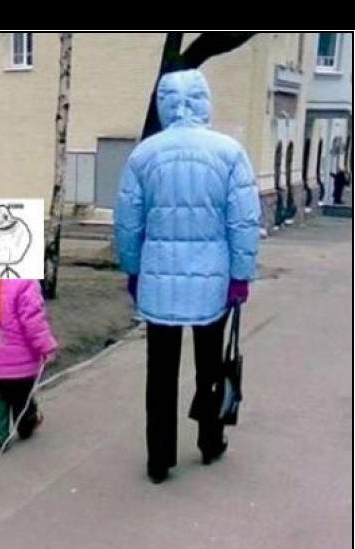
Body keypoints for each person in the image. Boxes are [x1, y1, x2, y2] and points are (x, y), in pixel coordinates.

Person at [114, 69, 261, 483]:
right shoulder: (229, 153)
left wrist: (133, 269)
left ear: (162, 102)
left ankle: (158, 458)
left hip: (159, 279)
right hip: (212, 281)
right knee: (210, 366)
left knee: (159, 374)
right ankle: (210, 441)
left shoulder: (144, 154)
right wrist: (240, 276)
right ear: (204, 100)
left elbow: (128, 221)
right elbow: (244, 221)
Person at [0, 279, 58, 455]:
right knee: (22, 395)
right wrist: (46, 346)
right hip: (20, 359)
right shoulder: (25, 283)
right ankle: (26, 424)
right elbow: (33, 321)